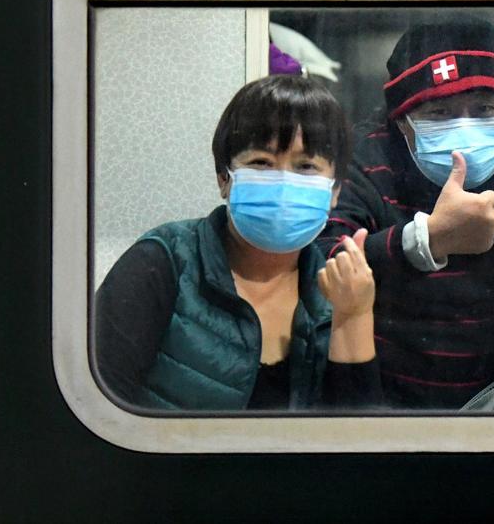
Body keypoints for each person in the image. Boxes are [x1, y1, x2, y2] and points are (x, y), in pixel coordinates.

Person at [95, 75, 381, 410]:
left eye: (306, 166)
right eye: (261, 162)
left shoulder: (336, 289)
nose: (283, 182)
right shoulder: (162, 262)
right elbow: (95, 407)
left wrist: (353, 314)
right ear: (224, 179)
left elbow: (354, 431)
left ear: (335, 191)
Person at [317, 17, 494, 409]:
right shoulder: (365, 158)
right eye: (440, 112)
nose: (465, 130)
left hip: (487, 396)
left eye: (485, 108)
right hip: (380, 397)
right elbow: (323, 260)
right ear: (401, 119)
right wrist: (427, 239)